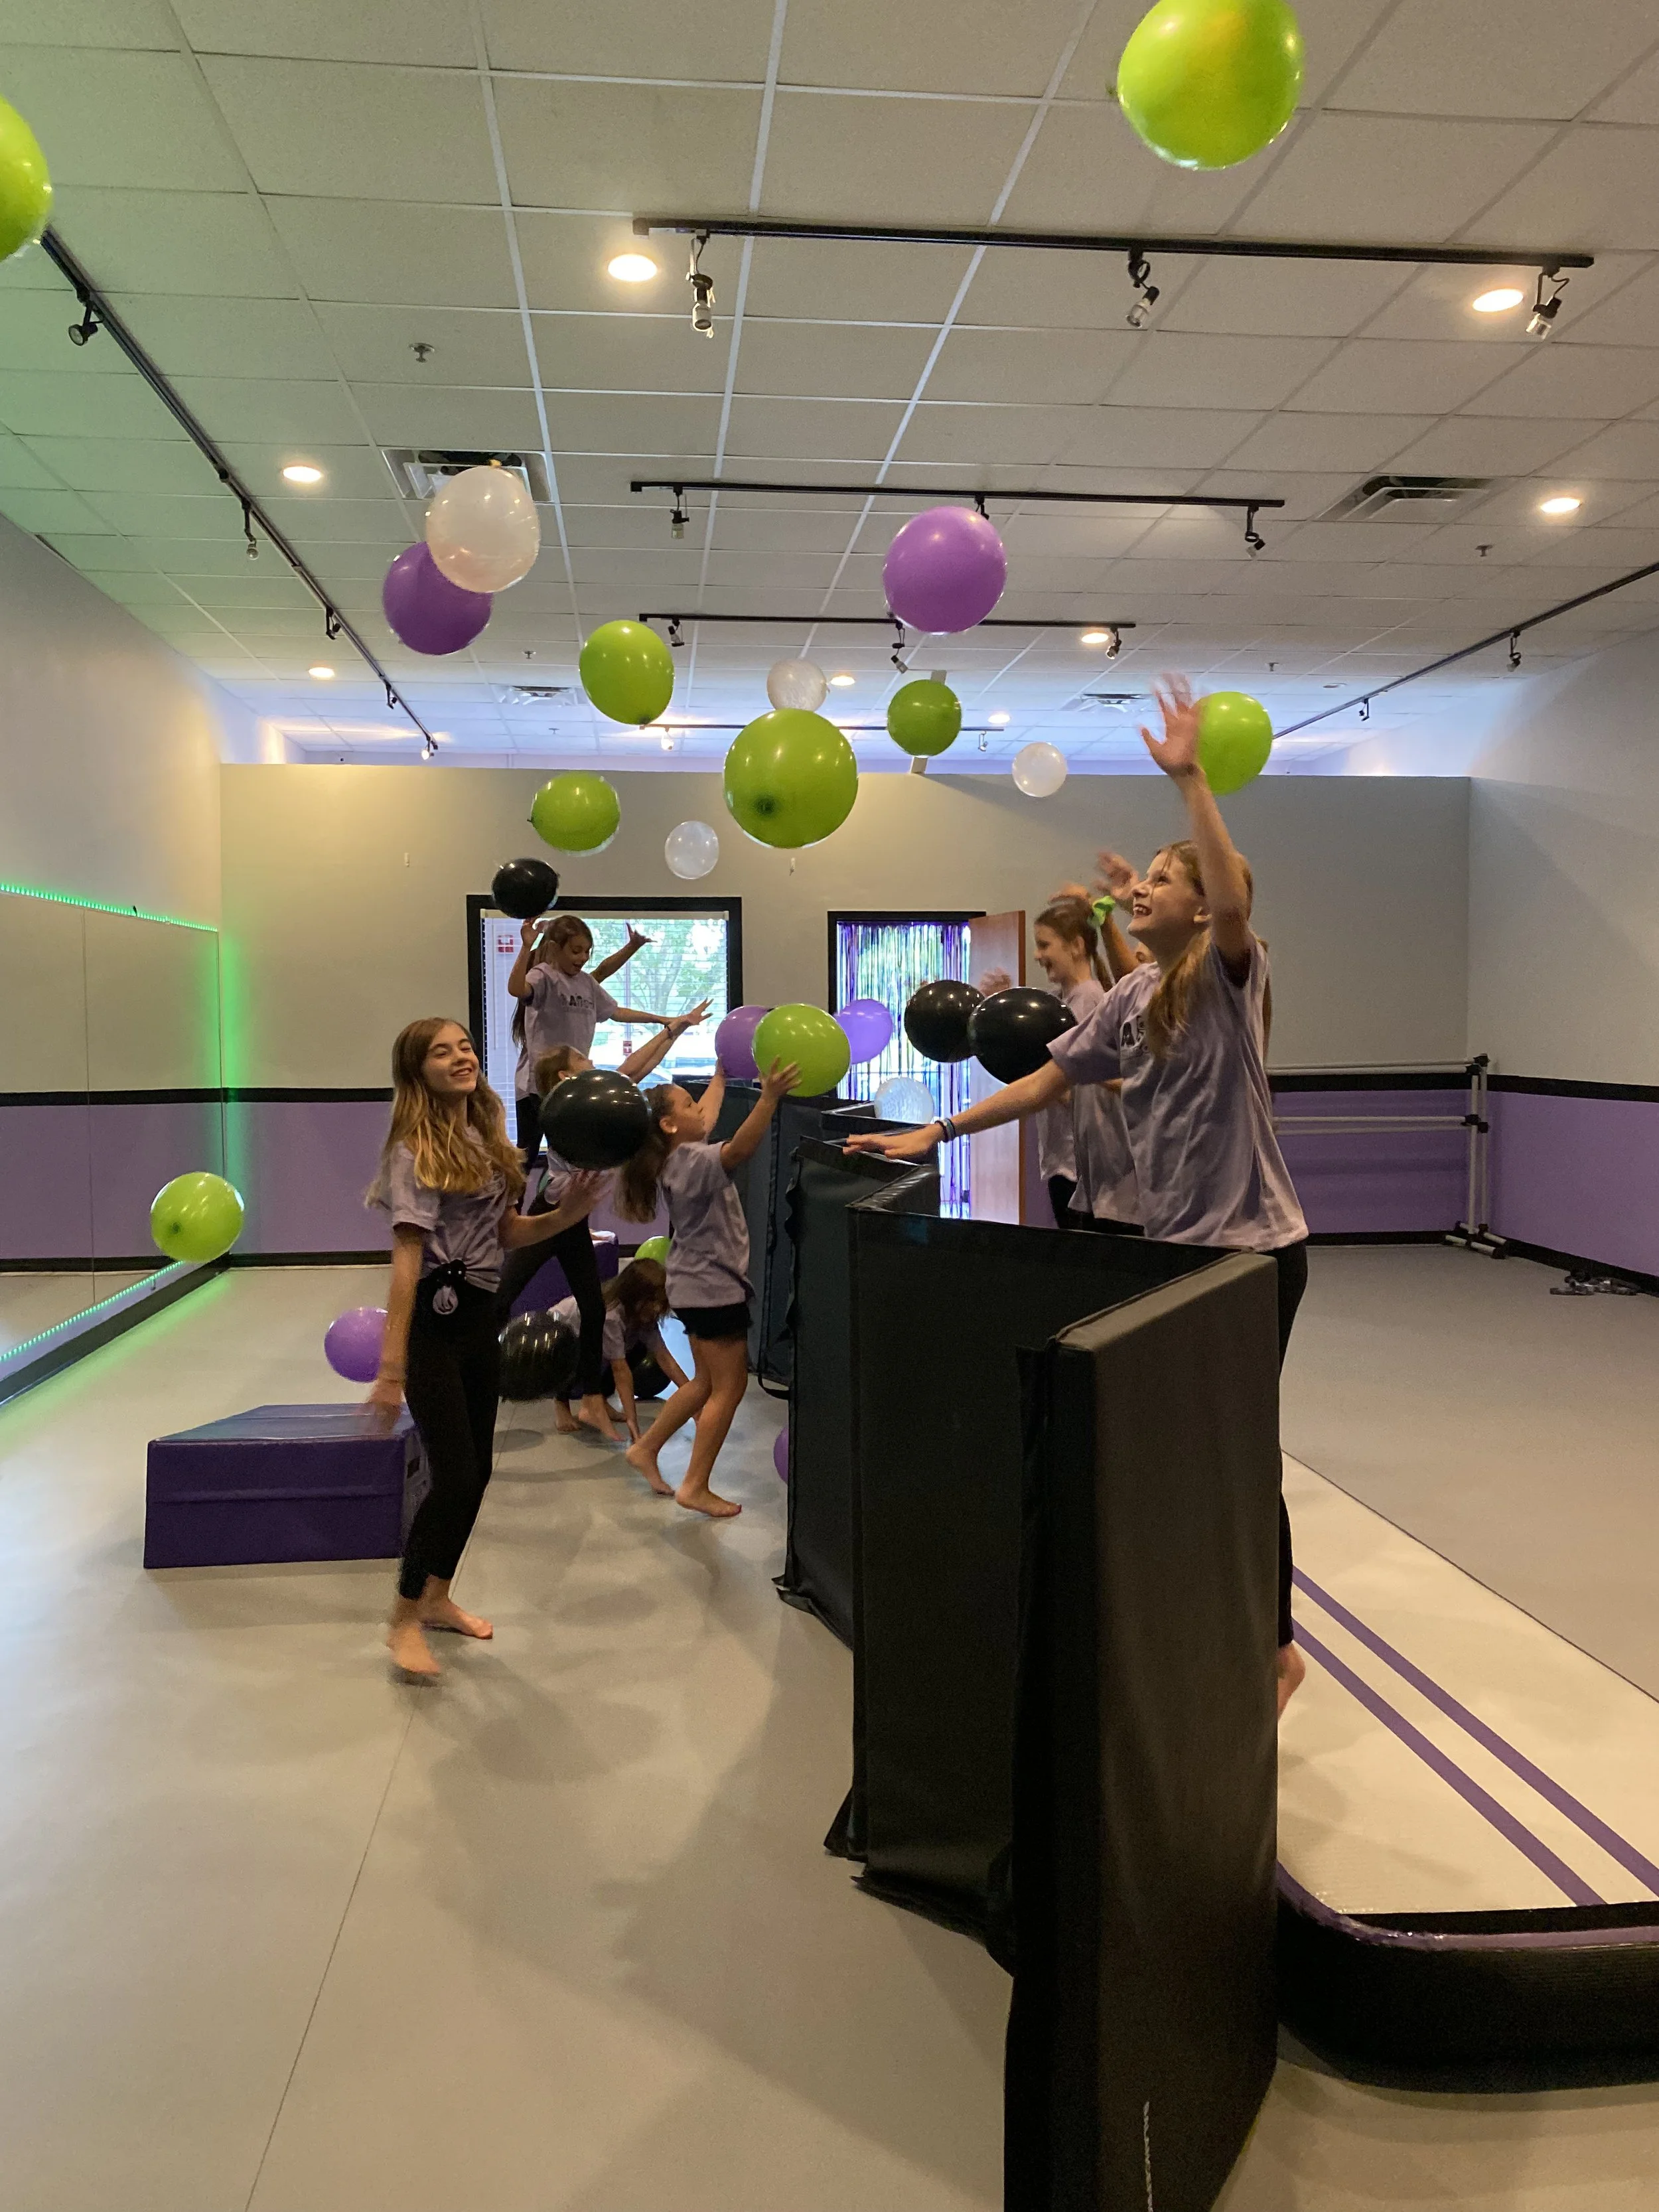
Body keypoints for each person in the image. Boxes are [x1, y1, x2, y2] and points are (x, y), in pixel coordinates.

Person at [850, 675, 1309, 1714]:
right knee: (1185, 1445)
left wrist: (1192, 777)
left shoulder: (1233, 979)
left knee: (1237, 1444)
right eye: (1138, 877)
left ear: (1202, 905)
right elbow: (1049, 1079)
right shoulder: (1137, 994)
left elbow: (1234, 901)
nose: (1139, 888)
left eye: (1160, 879)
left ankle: (1275, 1648)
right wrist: (938, 1127)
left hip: (1256, 1252)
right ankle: (1215, 1611)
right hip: (1180, 1248)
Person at [365, 1017, 607, 1683]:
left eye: (465, 1046)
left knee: (480, 1474)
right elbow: (406, 1259)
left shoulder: (485, 1136)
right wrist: (391, 1367)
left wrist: (570, 1211)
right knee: (455, 1477)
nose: (461, 1057)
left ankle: (438, 1596)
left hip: (477, 1318)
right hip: (431, 1328)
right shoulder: (414, 1149)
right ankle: (402, 1620)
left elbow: (508, 1231)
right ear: (418, 1073)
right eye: (442, 1053)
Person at [496, 1005, 709, 1440]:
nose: (596, 1069)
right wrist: (671, 1030)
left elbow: (634, 1072)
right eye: (586, 1065)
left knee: (593, 1306)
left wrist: (674, 1029)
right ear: (564, 1080)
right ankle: (475, 1372)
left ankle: (591, 1398)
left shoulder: (592, 1107)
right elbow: (630, 1071)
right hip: (551, 1216)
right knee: (503, 1298)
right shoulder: (565, 1111)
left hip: (571, 1219)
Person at [613, 1057, 798, 1517]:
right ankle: (695, 1484)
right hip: (714, 1288)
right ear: (670, 1124)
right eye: (689, 1105)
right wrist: (769, 1098)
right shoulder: (695, 1160)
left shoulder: (677, 1155)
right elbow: (738, 1150)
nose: (702, 1110)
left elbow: (709, 1119)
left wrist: (720, 1076)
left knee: (703, 1382)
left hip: (694, 1285)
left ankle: (646, 1448)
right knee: (729, 1388)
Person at [979, 895, 1139, 1232]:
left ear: (1077, 946)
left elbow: (1076, 1089)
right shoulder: (1065, 1003)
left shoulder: (1089, 1002)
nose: (1038, 955)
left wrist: (1037, 1082)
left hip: (1082, 1165)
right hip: (1067, 1161)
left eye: (1045, 945)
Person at [506, 913, 662, 1163]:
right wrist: (526, 946)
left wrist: (660, 1020)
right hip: (538, 1084)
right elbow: (516, 989)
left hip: (572, 1082)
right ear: (556, 949)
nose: (583, 958)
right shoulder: (544, 976)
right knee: (528, 1153)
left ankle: (557, 1199)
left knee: (569, 1154)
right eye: (576, 951)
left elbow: (616, 1011)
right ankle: (511, 1202)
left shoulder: (586, 983)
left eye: (587, 951)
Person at [548, 1257, 690, 1445]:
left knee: (638, 1349)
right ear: (633, 1296)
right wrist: (633, 1423)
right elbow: (620, 1370)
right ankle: (562, 1403)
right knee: (582, 1355)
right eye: (652, 1302)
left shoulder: (644, 1315)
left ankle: (601, 1401)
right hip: (558, 1337)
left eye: (660, 1302)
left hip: (593, 1343)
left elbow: (665, 1358)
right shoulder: (611, 1316)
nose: (657, 1308)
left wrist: (692, 1399)